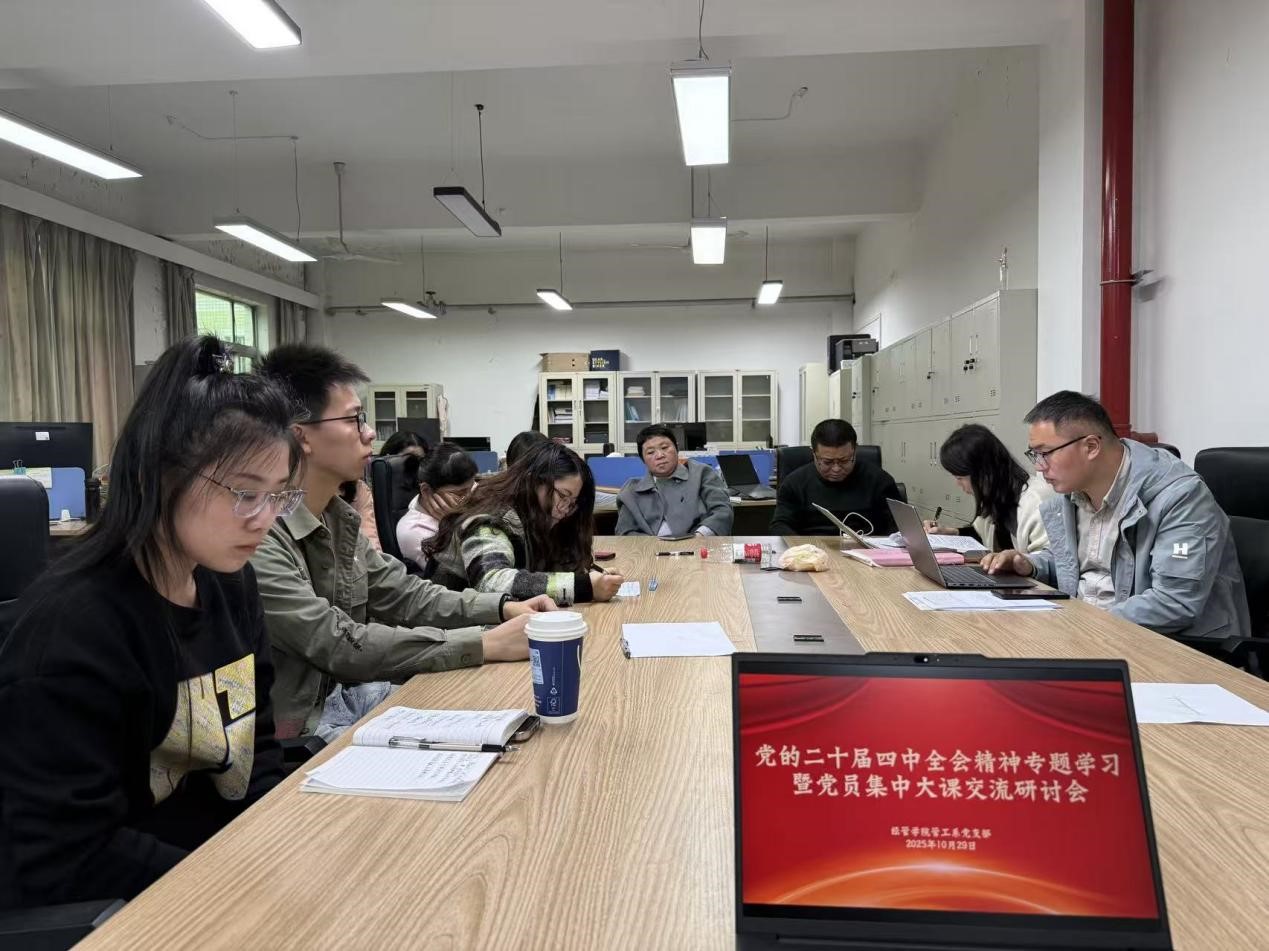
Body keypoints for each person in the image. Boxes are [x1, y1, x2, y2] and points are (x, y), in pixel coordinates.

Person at [0, 336, 302, 908]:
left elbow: (256, 749)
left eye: (278, 496)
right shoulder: (75, 630)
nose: (264, 520)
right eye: (245, 493)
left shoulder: (230, 583)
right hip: (135, 911)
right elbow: (68, 856)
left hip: (227, 878)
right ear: (161, 476)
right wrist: (235, 888)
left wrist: (279, 846)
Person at [253, 344, 555, 739]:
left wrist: (502, 607)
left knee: (506, 719)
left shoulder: (337, 519)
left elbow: (406, 595)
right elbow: (336, 643)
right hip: (300, 733)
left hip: (349, 699)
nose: (369, 433)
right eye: (353, 420)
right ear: (301, 436)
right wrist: (484, 643)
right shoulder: (259, 536)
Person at [981, 391, 1249, 641]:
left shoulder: (1182, 498)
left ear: (1091, 447)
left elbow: (1174, 601)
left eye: (1045, 453)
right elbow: (1075, 562)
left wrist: (1081, 627)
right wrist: (1030, 565)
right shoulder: (1074, 493)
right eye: (1035, 455)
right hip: (1088, 633)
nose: (1039, 467)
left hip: (1170, 646)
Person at [427, 442, 624, 604]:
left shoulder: (537, 520)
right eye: (562, 496)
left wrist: (589, 576)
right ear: (532, 481)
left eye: (572, 502)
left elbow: (547, 572)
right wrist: (583, 586)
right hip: (449, 630)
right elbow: (491, 582)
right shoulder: (491, 519)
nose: (565, 509)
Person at [922, 423, 1053, 552]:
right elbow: (982, 535)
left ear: (983, 473)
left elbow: (1047, 560)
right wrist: (951, 532)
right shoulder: (997, 494)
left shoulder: (1036, 502)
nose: (958, 484)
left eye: (959, 478)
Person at [769, 419, 901, 536]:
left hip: (866, 551)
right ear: (814, 454)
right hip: (812, 550)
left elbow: (899, 528)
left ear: (855, 450)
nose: (836, 469)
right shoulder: (794, 483)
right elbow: (780, 526)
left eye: (844, 461)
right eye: (827, 462)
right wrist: (802, 549)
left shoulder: (879, 481)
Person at [616, 424, 732, 536]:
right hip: (649, 547)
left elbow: (722, 512)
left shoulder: (702, 474)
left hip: (699, 544)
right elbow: (624, 531)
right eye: (650, 452)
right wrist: (654, 544)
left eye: (664, 448)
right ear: (643, 459)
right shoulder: (631, 492)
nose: (660, 455)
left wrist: (699, 537)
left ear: (677, 448)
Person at [396, 443, 478, 571]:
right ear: (426, 491)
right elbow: (457, 573)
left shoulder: (467, 489)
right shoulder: (413, 531)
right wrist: (452, 523)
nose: (469, 498)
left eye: (472, 488)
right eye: (460, 493)